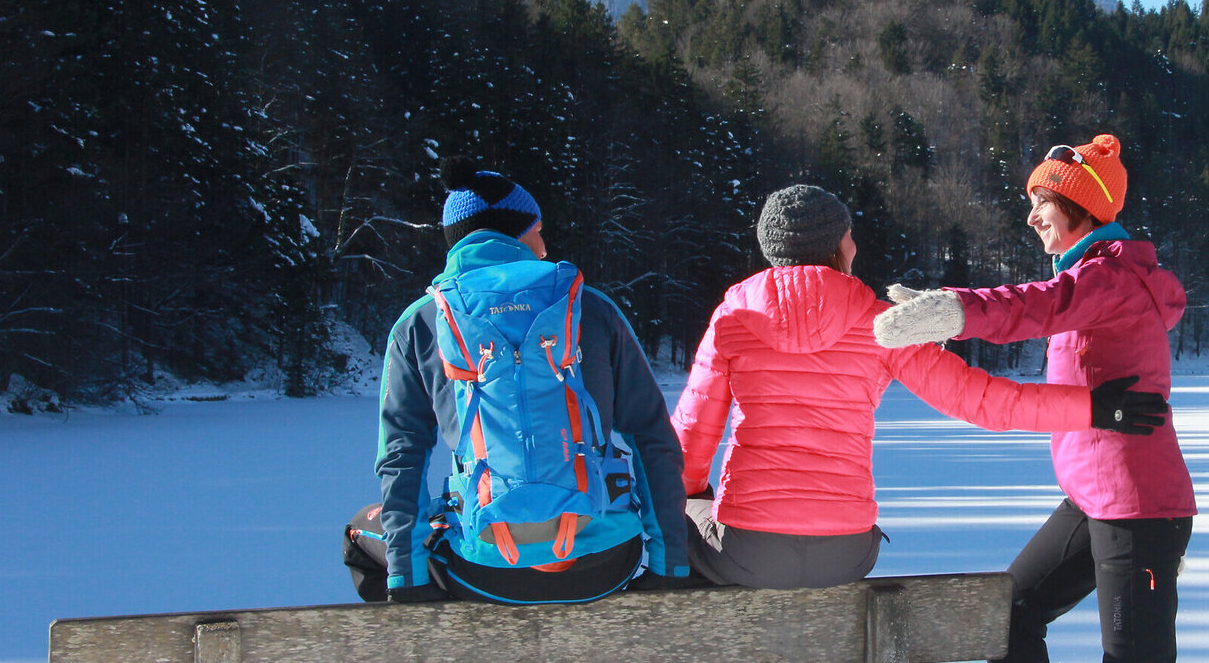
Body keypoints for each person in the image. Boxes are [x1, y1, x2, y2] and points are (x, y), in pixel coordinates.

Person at [671, 184, 1167, 590]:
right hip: (848, 551)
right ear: (840, 243)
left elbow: (690, 444)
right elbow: (983, 401)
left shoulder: (732, 318)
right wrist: (1095, 409)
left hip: (748, 552)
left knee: (685, 513)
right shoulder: (880, 322)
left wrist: (700, 498)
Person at [873, 135, 1193, 663]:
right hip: (1092, 500)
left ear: (1079, 206)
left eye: (1040, 203)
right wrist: (950, 307)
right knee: (1008, 613)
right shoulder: (1096, 276)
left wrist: (955, 309)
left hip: (1139, 508)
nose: (1031, 217)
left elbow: (1035, 307)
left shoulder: (1110, 278)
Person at [343, 158, 689, 604]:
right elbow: (652, 436)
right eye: (537, 230)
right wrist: (668, 568)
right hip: (606, 562)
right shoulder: (590, 307)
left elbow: (401, 458)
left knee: (359, 528)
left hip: (485, 572)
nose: (543, 247)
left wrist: (407, 583)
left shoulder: (420, 324)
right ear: (515, 232)